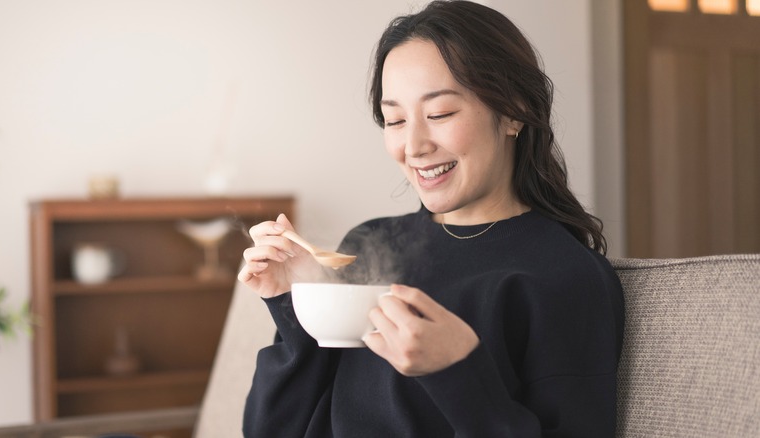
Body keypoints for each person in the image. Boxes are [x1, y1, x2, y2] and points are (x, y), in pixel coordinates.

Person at [237, 1, 625, 436]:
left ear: (514, 109)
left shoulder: (562, 275)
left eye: (439, 114)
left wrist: (457, 370)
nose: (414, 145)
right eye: (395, 120)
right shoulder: (367, 246)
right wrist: (293, 305)